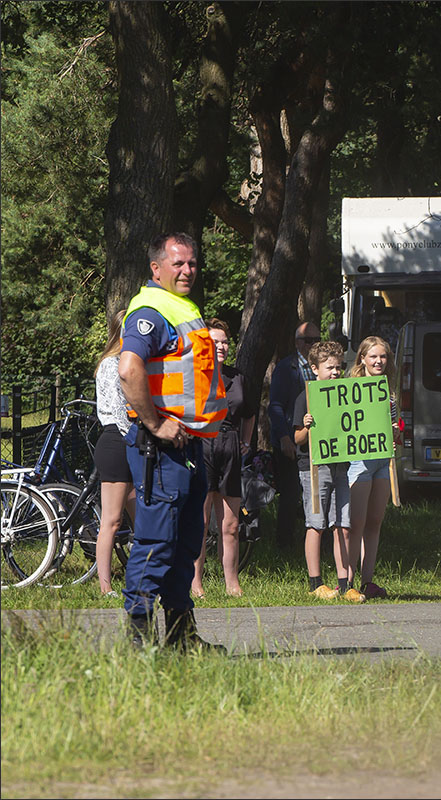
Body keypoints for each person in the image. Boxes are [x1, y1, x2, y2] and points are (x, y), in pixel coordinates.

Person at [118, 232, 228, 650]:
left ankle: (181, 640)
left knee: (184, 547)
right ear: (156, 268)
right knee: (155, 544)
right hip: (161, 450)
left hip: (189, 448)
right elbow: (129, 370)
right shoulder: (151, 309)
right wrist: (156, 423)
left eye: (192, 263)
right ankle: (139, 645)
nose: (187, 270)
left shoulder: (183, 309)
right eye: (178, 263)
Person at [190, 318, 256, 599]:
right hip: (202, 444)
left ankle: (232, 583)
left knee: (230, 524)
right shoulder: (194, 374)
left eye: (225, 342)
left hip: (230, 444)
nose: (221, 346)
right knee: (200, 523)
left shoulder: (238, 376)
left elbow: (250, 412)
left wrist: (244, 441)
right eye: (215, 341)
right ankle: (195, 583)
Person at [293, 340, 360, 602]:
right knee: (316, 524)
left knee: (343, 525)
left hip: (340, 467)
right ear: (314, 369)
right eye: (329, 368)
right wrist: (307, 426)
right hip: (314, 468)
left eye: (338, 368)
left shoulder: (344, 395)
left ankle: (345, 584)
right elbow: (297, 438)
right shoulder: (306, 397)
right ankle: (315, 583)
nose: (335, 372)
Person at [346, 336, 401, 600]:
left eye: (383, 356)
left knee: (375, 522)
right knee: (356, 523)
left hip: (383, 461)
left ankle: (368, 581)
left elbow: (394, 424)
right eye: (373, 357)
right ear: (362, 359)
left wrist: (394, 431)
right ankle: (348, 581)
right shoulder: (351, 388)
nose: (379, 361)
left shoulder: (390, 389)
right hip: (360, 461)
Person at [93, 312, 137, 599]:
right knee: (112, 520)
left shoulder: (131, 363)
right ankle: (105, 585)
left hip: (132, 439)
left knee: (143, 518)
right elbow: (119, 412)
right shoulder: (111, 365)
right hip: (117, 440)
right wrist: (134, 437)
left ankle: (143, 577)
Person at [268, 321, 320, 551]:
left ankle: (319, 545)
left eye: (317, 340)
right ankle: (284, 547)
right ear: (298, 342)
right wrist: (284, 438)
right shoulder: (285, 367)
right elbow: (276, 406)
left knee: (317, 495)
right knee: (290, 495)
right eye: (309, 340)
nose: (313, 344)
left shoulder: (323, 367)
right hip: (290, 440)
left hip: (316, 440)